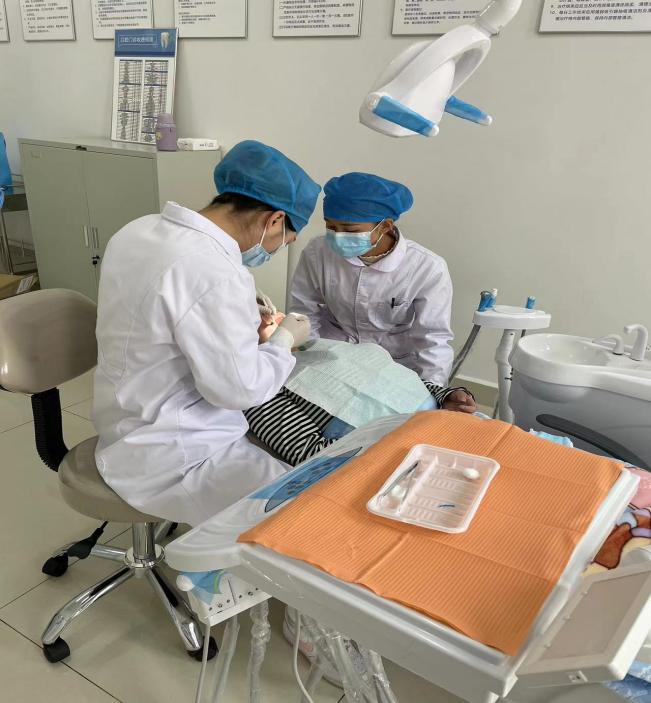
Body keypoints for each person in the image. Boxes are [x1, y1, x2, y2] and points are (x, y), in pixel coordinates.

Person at [92, 140, 320, 526]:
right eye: (285, 240)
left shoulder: (138, 230)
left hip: (124, 424)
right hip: (176, 454)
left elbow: (160, 316)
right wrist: (284, 340)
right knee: (303, 513)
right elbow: (239, 390)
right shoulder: (215, 272)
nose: (277, 248)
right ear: (275, 220)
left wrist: (239, 321)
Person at [290, 172, 473, 410]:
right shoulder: (318, 252)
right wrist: (312, 359)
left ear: (385, 226)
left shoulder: (427, 267)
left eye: (349, 229)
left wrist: (433, 393)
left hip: (395, 366)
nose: (338, 236)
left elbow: (432, 338)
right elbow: (304, 312)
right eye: (330, 227)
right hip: (332, 354)